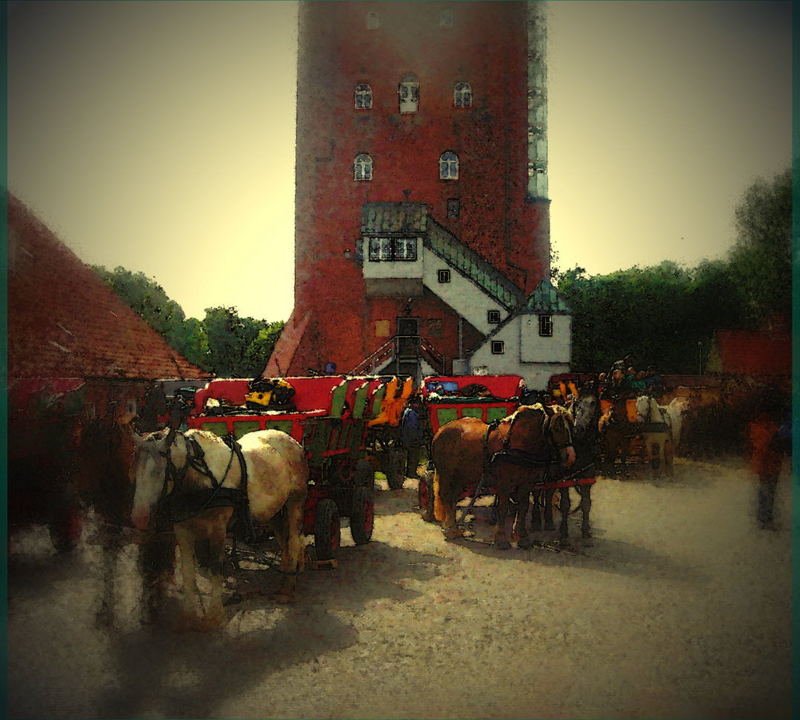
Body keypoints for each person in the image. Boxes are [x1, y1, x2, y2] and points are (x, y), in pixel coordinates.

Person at [746, 393, 786, 530]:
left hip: (772, 463)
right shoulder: (758, 427)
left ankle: (766, 518)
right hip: (764, 463)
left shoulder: (772, 427)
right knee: (765, 492)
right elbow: (761, 445)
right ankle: (764, 519)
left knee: (770, 492)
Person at [399, 395, 425, 479]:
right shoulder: (412, 414)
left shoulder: (408, 412)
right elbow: (412, 427)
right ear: (414, 404)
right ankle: (411, 473)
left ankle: (408, 472)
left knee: (410, 456)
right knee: (413, 456)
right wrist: (415, 439)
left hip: (408, 438)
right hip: (412, 439)